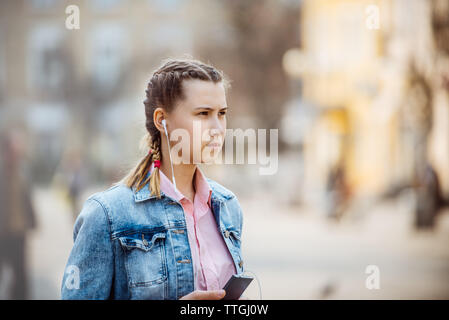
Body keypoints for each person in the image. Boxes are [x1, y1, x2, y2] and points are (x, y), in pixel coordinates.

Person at [61, 58, 247, 300]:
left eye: (221, 114)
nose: (217, 128)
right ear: (162, 120)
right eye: (203, 113)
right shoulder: (106, 216)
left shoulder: (228, 207)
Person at [0, 128, 36, 299]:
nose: (18, 152)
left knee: (21, 274)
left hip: (19, 230)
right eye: (15, 148)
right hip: (3, 231)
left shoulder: (23, 170)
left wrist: (33, 220)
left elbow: (27, 198)